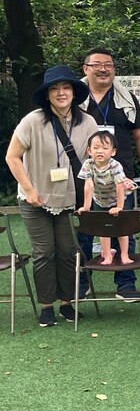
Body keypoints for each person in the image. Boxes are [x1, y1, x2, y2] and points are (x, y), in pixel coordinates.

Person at [6, 66, 98, 327]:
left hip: (71, 199)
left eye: (66, 87)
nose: (61, 93)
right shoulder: (33, 121)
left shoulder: (87, 121)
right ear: (47, 94)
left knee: (69, 252)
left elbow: (97, 158)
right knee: (44, 253)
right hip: (35, 199)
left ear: (73, 92)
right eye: (55, 88)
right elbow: (12, 157)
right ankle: (47, 307)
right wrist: (30, 189)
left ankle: (67, 304)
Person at [79, 48, 140, 301]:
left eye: (109, 65)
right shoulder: (74, 97)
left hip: (122, 176)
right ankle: (81, 282)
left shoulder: (126, 98)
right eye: (97, 64)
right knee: (85, 229)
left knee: (125, 227)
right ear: (85, 68)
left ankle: (126, 283)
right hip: (87, 176)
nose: (103, 69)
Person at [77, 131, 130, 266]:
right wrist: (86, 206)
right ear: (89, 150)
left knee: (122, 228)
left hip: (118, 198)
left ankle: (124, 254)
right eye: (96, 148)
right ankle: (107, 255)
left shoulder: (115, 165)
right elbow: (88, 185)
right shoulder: (88, 164)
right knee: (102, 228)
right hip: (100, 200)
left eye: (105, 148)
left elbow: (120, 186)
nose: (100, 151)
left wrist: (119, 207)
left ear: (113, 152)